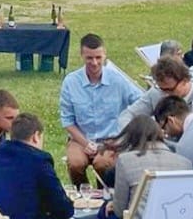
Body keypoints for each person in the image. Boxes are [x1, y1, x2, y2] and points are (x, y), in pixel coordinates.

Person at [59, 33, 143, 185]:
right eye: (89, 58)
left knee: (102, 164)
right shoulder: (71, 82)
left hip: (111, 139)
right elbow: (67, 121)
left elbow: (141, 101)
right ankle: (82, 195)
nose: (95, 63)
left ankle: (105, 195)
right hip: (81, 138)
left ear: (105, 55)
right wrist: (85, 143)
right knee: (75, 163)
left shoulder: (117, 80)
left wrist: (126, 131)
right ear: (82, 56)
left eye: (98, 57)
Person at [117, 55, 193, 131]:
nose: (165, 95)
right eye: (161, 89)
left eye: (170, 89)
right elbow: (128, 115)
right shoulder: (156, 93)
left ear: (184, 80)